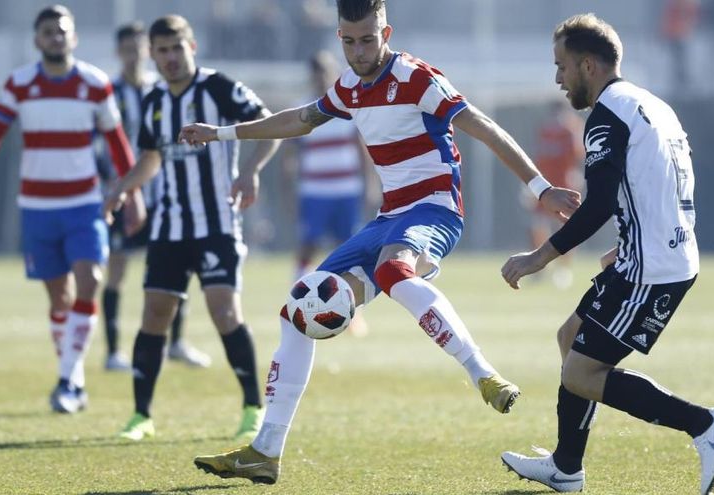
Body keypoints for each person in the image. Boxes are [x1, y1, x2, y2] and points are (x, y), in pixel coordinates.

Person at [180, 0, 580, 484]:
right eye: (348, 41)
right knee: (298, 309)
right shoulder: (349, 87)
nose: (358, 50)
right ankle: (265, 452)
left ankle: (483, 374)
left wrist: (541, 188)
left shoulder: (416, 77)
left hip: (435, 208)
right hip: (387, 218)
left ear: (385, 32)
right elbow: (298, 120)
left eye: (368, 39)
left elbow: (485, 129)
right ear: (339, 37)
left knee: (393, 271)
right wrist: (221, 134)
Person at [499, 14, 714, 495]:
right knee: (571, 338)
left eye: (562, 66)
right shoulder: (652, 105)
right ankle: (567, 467)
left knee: (583, 372)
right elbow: (676, 188)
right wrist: (632, 239)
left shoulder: (607, 117)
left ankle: (704, 425)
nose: (557, 78)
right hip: (652, 257)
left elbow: (599, 204)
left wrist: (537, 258)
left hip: (652, 269)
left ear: (588, 65)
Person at [104, 15, 280, 442]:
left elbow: (269, 126)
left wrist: (252, 170)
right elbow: (152, 157)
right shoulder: (155, 100)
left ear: (191, 47)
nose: (169, 58)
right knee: (154, 316)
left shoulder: (218, 87)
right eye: (160, 50)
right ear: (152, 54)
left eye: (175, 48)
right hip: (169, 227)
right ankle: (141, 415)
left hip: (216, 223)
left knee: (224, 311)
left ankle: (253, 407)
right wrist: (125, 189)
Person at [0, 4, 143, 414]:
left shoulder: (95, 83)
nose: (56, 38)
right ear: (37, 40)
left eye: (62, 31)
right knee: (59, 298)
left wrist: (131, 194)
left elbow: (117, 145)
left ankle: (67, 378)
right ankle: (74, 377)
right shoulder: (20, 84)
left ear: (74, 37)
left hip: (84, 204)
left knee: (90, 279)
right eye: (48, 32)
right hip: (37, 207)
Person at [100, 22, 211, 371]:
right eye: (128, 48)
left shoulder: (160, 89)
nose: (135, 54)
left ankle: (177, 342)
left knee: (177, 266)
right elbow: (100, 147)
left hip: (165, 195)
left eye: (140, 47)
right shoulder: (110, 92)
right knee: (117, 269)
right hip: (127, 193)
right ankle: (113, 351)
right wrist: (121, 188)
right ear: (119, 52)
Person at [287, 50, 371, 280]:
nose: (321, 77)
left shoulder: (349, 107)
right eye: (317, 73)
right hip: (314, 192)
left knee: (348, 246)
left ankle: (348, 304)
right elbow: (290, 157)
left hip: (347, 190)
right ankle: (299, 289)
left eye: (325, 71)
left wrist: (370, 186)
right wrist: (291, 193)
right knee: (308, 243)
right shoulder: (301, 109)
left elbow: (362, 149)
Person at [523, 100, 583, 288]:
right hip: (544, 187)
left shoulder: (572, 130)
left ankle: (563, 270)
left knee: (567, 229)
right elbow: (537, 158)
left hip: (565, 184)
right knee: (538, 227)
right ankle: (538, 267)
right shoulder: (545, 131)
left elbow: (578, 156)